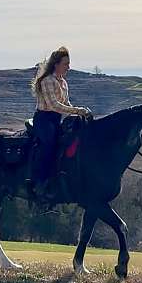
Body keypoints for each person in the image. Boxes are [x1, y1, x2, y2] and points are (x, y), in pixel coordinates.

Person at [29, 46, 91, 200]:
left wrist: (79, 112)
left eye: (68, 64)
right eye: (65, 64)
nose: (68, 67)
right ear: (56, 64)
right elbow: (53, 104)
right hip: (44, 119)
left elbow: (66, 103)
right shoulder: (47, 81)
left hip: (56, 119)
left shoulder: (63, 82)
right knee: (49, 144)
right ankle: (40, 182)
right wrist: (77, 110)